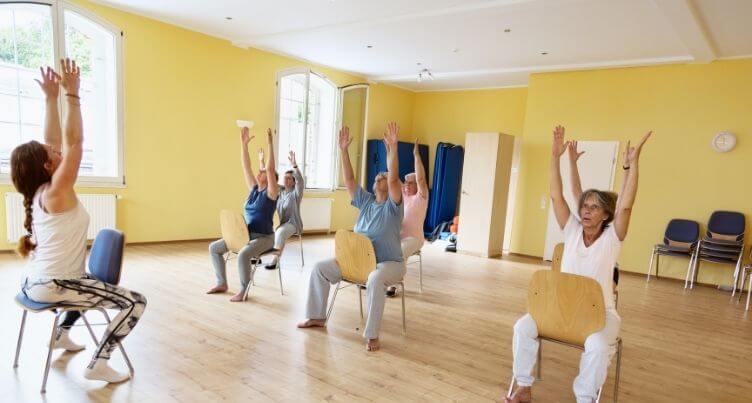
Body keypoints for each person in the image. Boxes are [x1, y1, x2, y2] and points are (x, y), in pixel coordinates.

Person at [13, 60, 147, 383]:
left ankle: (61, 334)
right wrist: (72, 95)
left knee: (85, 281)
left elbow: (57, 143)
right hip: (55, 287)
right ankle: (99, 363)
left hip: (35, 283)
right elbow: (74, 144)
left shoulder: (39, 192)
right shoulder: (57, 190)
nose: (55, 150)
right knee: (136, 303)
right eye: (50, 153)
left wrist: (49, 99)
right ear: (47, 166)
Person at [506, 125, 651, 403]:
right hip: (560, 308)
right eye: (585, 205)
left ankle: (585, 398)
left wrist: (632, 166)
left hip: (601, 315)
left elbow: (627, 205)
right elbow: (557, 194)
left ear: (606, 214)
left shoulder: (612, 238)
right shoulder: (571, 230)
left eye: (595, 207)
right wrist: (555, 157)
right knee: (522, 327)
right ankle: (523, 388)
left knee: (597, 346)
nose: (586, 210)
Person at [297, 122, 405, 352]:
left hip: (389, 264)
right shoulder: (366, 201)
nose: (380, 177)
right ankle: (316, 316)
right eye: (378, 175)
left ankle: (372, 335)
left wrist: (393, 149)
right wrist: (343, 150)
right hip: (357, 262)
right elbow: (349, 180)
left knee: (376, 279)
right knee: (320, 268)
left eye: (383, 176)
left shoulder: (393, 207)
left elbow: (394, 178)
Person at [207, 128, 279, 301]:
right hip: (245, 235)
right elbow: (245, 166)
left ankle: (243, 290)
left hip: (264, 238)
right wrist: (244, 144)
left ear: (270, 179)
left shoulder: (271, 193)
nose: (259, 171)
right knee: (214, 248)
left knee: (244, 254)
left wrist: (270, 143)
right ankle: (222, 283)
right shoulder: (254, 190)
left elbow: (270, 169)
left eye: (263, 172)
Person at [387, 138, 428, 297]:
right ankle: (372, 277)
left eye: (410, 183)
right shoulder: (403, 196)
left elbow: (421, 179)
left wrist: (416, 154)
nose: (406, 185)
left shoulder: (421, 196)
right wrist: (390, 151)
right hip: (397, 236)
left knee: (400, 250)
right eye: (406, 182)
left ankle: (393, 283)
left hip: (414, 239)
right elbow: (392, 174)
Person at [265, 150, 304, 269]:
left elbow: (301, 181)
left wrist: (295, 165)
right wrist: (262, 162)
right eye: (284, 178)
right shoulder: (280, 192)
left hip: (293, 224)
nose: (285, 180)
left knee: (280, 233)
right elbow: (269, 180)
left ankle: (275, 260)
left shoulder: (296, 194)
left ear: (293, 182)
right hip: (281, 224)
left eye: (289, 179)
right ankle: (255, 256)